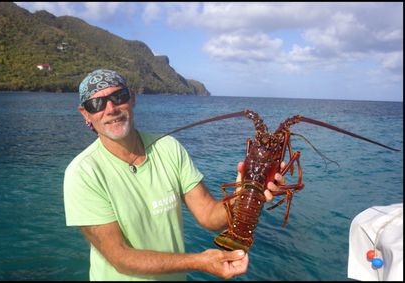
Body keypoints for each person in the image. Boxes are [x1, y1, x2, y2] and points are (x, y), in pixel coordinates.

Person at [63, 69, 285, 280]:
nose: (110, 109)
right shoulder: (82, 173)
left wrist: (248, 193)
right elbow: (120, 257)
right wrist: (199, 262)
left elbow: (209, 215)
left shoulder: (168, 147)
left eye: (118, 96)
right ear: (86, 113)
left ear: (132, 99)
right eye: (96, 104)